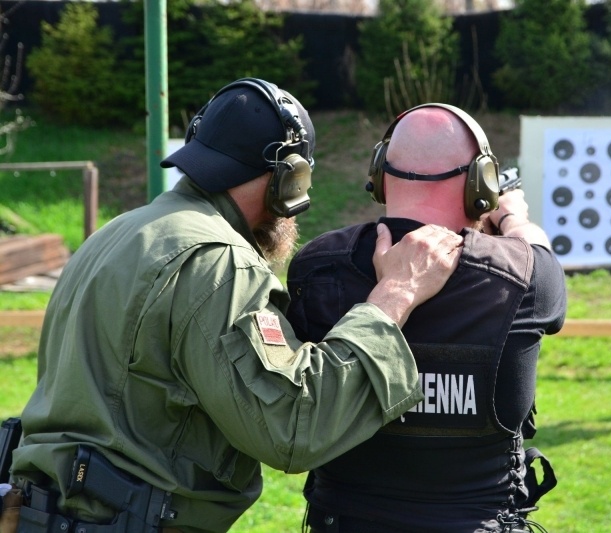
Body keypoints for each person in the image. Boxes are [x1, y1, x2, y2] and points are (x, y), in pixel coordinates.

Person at [3, 79, 465, 533]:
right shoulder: (219, 262)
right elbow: (292, 426)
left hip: (52, 512)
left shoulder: (117, 232)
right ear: (292, 176)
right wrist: (395, 295)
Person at [286, 103, 568, 533]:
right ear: (482, 184)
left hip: (343, 522)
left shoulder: (315, 267)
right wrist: (512, 217)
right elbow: (541, 257)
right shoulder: (524, 275)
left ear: (380, 174)